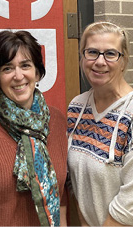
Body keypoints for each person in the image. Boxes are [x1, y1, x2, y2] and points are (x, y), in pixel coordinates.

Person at [0, 30, 68, 226]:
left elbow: (60, 197)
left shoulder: (56, 120)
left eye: (25, 65)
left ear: (37, 72)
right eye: (7, 68)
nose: (18, 76)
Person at [67, 21, 133, 226]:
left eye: (111, 54)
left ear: (124, 60)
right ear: (82, 57)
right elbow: (78, 183)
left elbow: (129, 203)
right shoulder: (77, 107)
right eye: (92, 52)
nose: (100, 61)